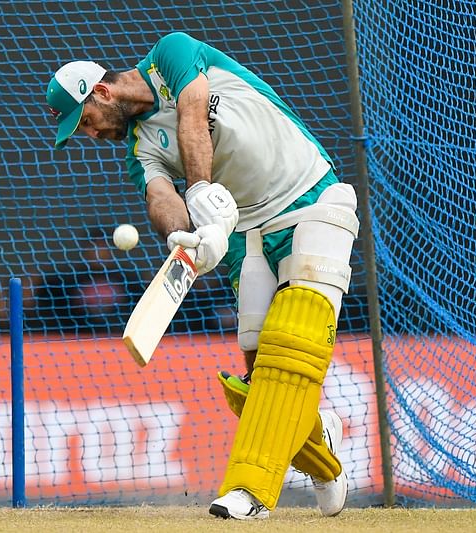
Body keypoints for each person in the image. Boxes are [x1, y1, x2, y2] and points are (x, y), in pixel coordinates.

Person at [45, 32, 359, 520]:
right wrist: (182, 236)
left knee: (292, 338)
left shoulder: (170, 55)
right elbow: (157, 196)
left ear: (102, 92)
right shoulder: (138, 147)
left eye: (84, 121)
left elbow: (193, 113)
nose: (90, 134)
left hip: (308, 194)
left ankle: (251, 491)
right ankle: (321, 450)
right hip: (246, 228)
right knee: (258, 366)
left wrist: (199, 192)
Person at [29, 228, 140, 334]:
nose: (98, 252)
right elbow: (44, 291)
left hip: (117, 337)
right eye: (94, 247)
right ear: (86, 250)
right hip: (80, 338)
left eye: (102, 247)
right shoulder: (71, 279)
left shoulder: (126, 279)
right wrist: (34, 284)